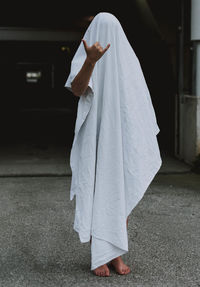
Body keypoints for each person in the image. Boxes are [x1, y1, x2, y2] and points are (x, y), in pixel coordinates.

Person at [64, 12, 162, 277]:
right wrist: (91, 62)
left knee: (122, 190)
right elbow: (77, 89)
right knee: (98, 189)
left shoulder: (129, 60)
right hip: (95, 133)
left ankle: (116, 253)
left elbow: (138, 98)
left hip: (121, 133)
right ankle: (99, 256)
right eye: (101, 30)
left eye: (112, 31)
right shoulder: (85, 57)